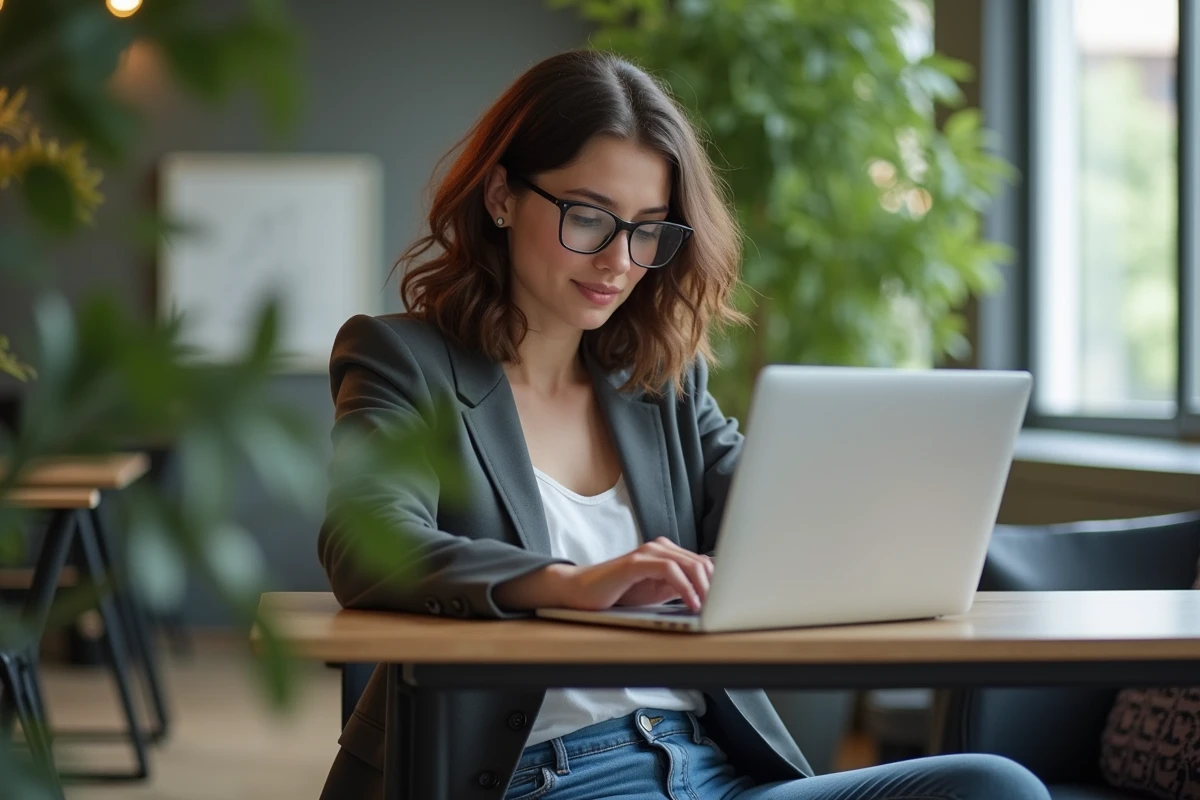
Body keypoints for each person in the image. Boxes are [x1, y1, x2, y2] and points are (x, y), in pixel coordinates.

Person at [317, 49, 1049, 800]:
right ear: (502, 196)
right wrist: (569, 585)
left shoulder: (658, 383)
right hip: (539, 775)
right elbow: (367, 540)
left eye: (648, 230)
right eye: (589, 217)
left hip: (708, 766)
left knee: (994, 786)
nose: (618, 261)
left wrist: (891, 515)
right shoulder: (403, 360)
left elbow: (766, 514)